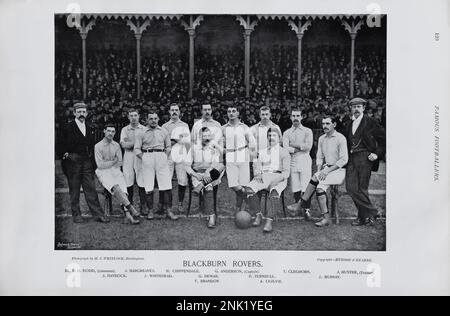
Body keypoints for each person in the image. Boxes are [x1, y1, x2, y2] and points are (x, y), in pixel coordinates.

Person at [60, 102, 109, 224]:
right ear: (74, 113)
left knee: (90, 188)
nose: (81, 114)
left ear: (86, 113)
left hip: (86, 161)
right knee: (74, 189)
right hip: (73, 161)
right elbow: (59, 143)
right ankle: (76, 215)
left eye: (83, 112)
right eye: (79, 112)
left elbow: (92, 145)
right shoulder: (67, 127)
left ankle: (98, 214)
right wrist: (65, 155)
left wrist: (92, 161)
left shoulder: (89, 127)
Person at [297, 114, 349, 227]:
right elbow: (319, 156)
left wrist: (327, 171)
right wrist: (320, 170)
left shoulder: (341, 138)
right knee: (320, 189)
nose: (324, 126)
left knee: (315, 178)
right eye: (323, 124)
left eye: (327, 123)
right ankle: (326, 218)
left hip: (339, 171)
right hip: (326, 170)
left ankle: (299, 204)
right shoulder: (321, 138)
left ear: (334, 124)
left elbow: (344, 159)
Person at [345, 98, 385, 226]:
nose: (356, 109)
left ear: (363, 108)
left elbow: (383, 139)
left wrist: (376, 154)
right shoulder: (348, 123)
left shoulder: (371, 122)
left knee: (362, 188)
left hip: (365, 157)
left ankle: (362, 218)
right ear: (351, 109)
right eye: (354, 107)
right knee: (351, 187)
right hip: (351, 158)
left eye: (358, 106)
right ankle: (373, 212)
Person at [243, 128, 291, 233]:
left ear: (279, 138)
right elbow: (257, 167)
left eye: (274, 135)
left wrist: (276, 180)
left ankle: (269, 222)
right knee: (249, 188)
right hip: (264, 176)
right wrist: (258, 174)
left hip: (279, 177)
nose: (271, 137)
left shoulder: (284, 152)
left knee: (274, 192)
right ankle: (258, 215)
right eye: (269, 135)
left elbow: (286, 172)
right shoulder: (263, 151)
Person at [134, 112, 178, 221]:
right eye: (151, 119)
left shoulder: (164, 131)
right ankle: (150, 210)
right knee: (148, 185)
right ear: (147, 120)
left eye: (155, 118)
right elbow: (136, 148)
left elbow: (168, 146)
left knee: (166, 184)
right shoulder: (141, 132)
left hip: (161, 156)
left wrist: (164, 156)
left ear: (158, 119)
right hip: (147, 156)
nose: (153, 120)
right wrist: (143, 157)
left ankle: (168, 210)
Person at [95, 124, 140, 225]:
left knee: (123, 190)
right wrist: (113, 161)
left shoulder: (116, 145)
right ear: (104, 131)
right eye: (109, 131)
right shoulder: (97, 146)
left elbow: (119, 162)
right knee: (115, 187)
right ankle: (131, 208)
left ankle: (128, 217)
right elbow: (100, 165)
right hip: (103, 172)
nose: (110, 133)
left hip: (115, 170)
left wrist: (113, 162)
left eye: (113, 131)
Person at [185, 127, 225, 228]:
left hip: (210, 174)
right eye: (204, 136)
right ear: (199, 136)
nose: (207, 138)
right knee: (208, 186)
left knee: (220, 168)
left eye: (208, 135)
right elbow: (186, 165)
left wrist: (207, 171)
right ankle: (212, 215)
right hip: (197, 175)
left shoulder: (213, 148)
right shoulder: (194, 148)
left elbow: (216, 163)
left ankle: (211, 216)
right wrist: (195, 175)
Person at [222, 106, 256, 213]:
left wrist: (250, 155)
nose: (231, 113)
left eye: (233, 111)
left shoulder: (244, 127)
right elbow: (220, 144)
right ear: (227, 114)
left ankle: (239, 208)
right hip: (230, 155)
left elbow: (253, 142)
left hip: (243, 155)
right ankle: (250, 202)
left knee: (244, 184)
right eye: (229, 111)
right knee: (233, 184)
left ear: (237, 113)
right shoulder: (223, 128)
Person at [283, 109, 313, 217]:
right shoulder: (286, 132)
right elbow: (286, 147)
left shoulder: (307, 131)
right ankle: (298, 207)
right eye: (293, 116)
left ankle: (307, 210)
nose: (295, 118)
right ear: (291, 117)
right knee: (295, 186)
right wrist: (299, 147)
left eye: (298, 115)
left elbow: (308, 147)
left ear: (301, 117)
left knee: (305, 185)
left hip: (305, 159)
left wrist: (294, 145)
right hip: (293, 159)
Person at [162, 103, 191, 214]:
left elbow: (187, 141)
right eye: (172, 110)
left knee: (182, 180)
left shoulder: (184, 125)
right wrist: (178, 139)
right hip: (168, 155)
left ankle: (180, 203)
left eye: (176, 110)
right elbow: (164, 141)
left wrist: (174, 139)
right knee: (167, 179)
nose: (174, 112)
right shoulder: (165, 126)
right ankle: (168, 204)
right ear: (169, 112)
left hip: (180, 154)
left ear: (179, 112)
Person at [120, 109, 147, 216]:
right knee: (128, 180)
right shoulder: (124, 129)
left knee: (142, 180)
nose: (133, 117)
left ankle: (143, 206)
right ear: (128, 117)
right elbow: (123, 145)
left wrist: (131, 143)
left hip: (140, 155)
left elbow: (146, 144)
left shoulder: (144, 129)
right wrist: (137, 143)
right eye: (131, 115)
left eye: (135, 115)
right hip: (128, 156)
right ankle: (129, 206)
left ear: (139, 116)